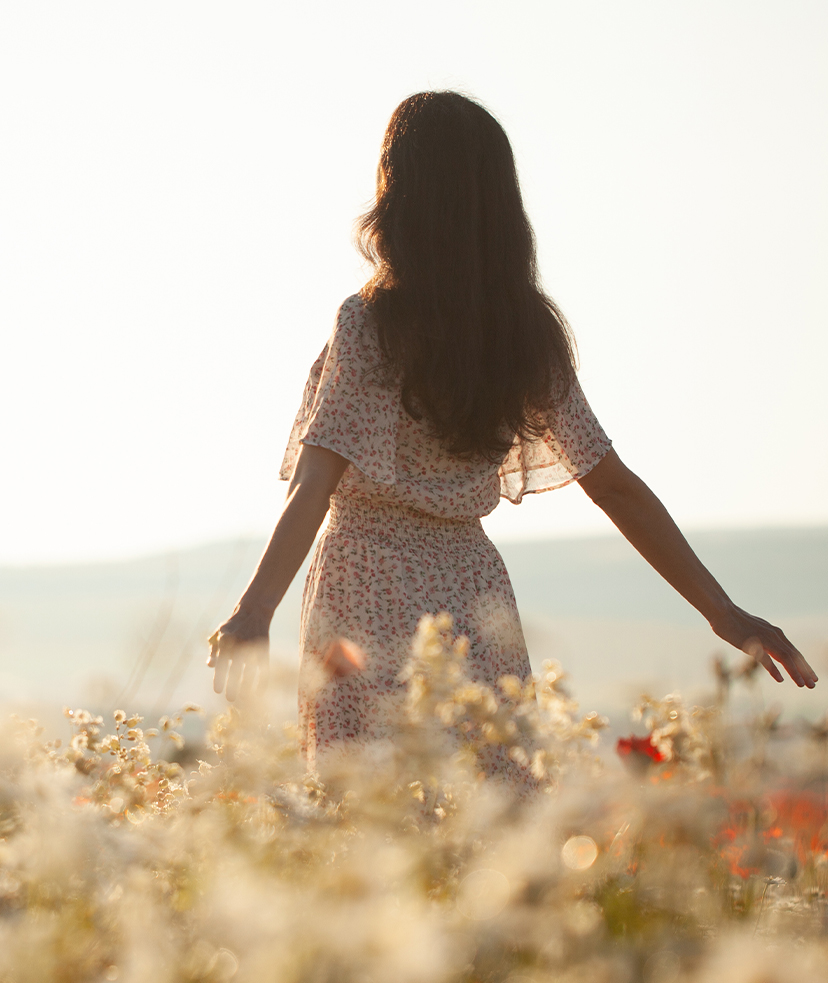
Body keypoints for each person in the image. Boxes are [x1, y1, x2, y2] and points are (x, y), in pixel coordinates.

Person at [207, 91, 817, 783]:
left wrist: (253, 610)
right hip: (471, 593)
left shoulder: (372, 322)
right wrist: (725, 612)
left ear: (398, 195)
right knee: (485, 806)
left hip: (362, 583)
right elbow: (613, 485)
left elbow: (314, 483)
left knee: (375, 817)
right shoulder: (525, 334)